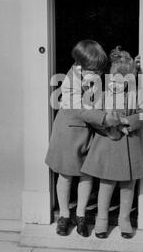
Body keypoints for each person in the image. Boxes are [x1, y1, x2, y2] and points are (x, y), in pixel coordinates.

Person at [45, 40, 120, 238]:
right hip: (68, 134)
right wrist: (105, 119)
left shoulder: (91, 77)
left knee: (86, 175)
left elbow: (96, 103)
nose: (98, 75)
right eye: (93, 70)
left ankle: (81, 216)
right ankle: (63, 215)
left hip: (87, 132)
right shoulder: (70, 82)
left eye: (99, 71)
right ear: (79, 66)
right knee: (66, 174)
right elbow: (81, 110)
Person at [81, 46, 143, 239]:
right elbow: (92, 114)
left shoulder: (135, 95)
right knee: (106, 182)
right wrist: (106, 122)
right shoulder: (103, 95)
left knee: (128, 184)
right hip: (108, 143)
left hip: (129, 144)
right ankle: (101, 219)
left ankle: (124, 219)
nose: (116, 84)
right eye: (114, 78)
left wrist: (129, 121)